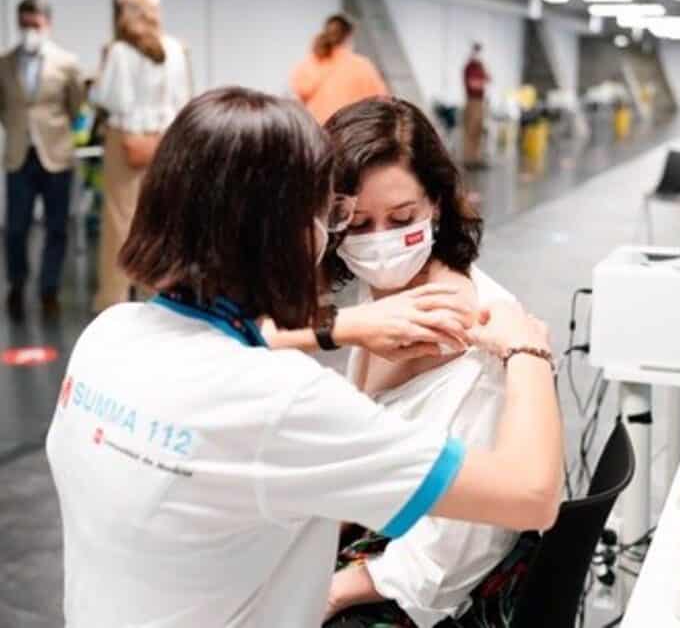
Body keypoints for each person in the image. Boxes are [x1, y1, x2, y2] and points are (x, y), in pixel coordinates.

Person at [46, 86, 563, 628]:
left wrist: (339, 328)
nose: (347, 234)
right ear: (284, 234)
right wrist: (527, 347)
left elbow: (223, 348)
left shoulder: (108, 335)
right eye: (339, 217)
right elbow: (528, 494)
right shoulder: (282, 400)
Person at [321, 97, 524, 627]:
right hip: (388, 531)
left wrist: (331, 589)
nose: (380, 242)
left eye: (402, 218)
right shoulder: (379, 300)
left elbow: (456, 552)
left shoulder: (480, 339)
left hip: (440, 588)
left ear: (436, 202)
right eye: (358, 224)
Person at [90, 0, 193, 313]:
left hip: (126, 138)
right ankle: (157, 295)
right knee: (159, 218)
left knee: (120, 220)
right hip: (164, 139)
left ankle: (114, 299)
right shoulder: (176, 48)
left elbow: (110, 99)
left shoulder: (119, 51)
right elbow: (184, 99)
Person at [0, 0, 84, 321]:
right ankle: (17, 282)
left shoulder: (67, 62)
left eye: (34, 24)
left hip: (56, 156)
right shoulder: (4, 62)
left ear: (47, 24)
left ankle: (49, 289)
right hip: (19, 155)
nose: (29, 30)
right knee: (16, 227)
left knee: (57, 227)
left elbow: (76, 105)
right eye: (23, 24)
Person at [291, 14, 388, 124]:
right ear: (349, 36)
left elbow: (299, 92)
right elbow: (381, 101)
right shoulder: (362, 65)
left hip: (317, 131)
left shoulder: (310, 63)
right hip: (350, 131)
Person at [462, 43, 490, 169]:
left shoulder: (480, 66)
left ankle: (476, 158)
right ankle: (468, 159)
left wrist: (482, 77)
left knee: (478, 131)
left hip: (480, 101)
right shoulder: (469, 67)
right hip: (472, 101)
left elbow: (488, 79)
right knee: (471, 130)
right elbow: (473, 84)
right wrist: (481, 81)